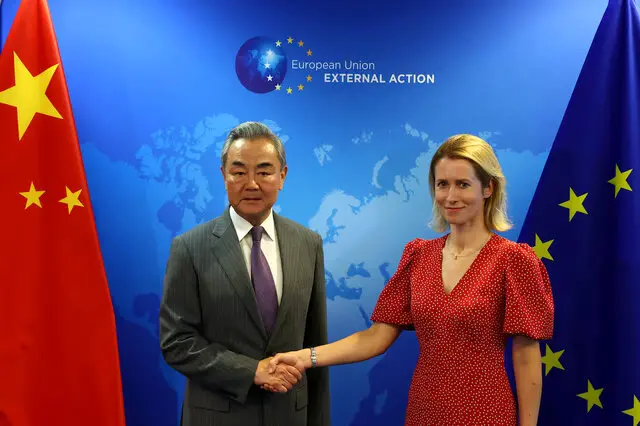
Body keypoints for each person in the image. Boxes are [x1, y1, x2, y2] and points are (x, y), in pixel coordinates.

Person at [268, 134, 554, 426]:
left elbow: (526, 355)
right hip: (423, 412)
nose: (450, 196)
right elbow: (374, 338)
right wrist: (306, 357)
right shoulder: (419, 255)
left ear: (488, 188)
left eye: (463, 184)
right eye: (442, 184)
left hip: (486, 414)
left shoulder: (514, 260)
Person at [159, 122, 330, 426]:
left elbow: (314, 347)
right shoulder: (190, 248)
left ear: (282, 176)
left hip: (289, 416)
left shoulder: (308, 244)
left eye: (264, 172)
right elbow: (177, 343)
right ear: (223, 175)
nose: (251, 183)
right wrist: (252, 371)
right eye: (238, 172)